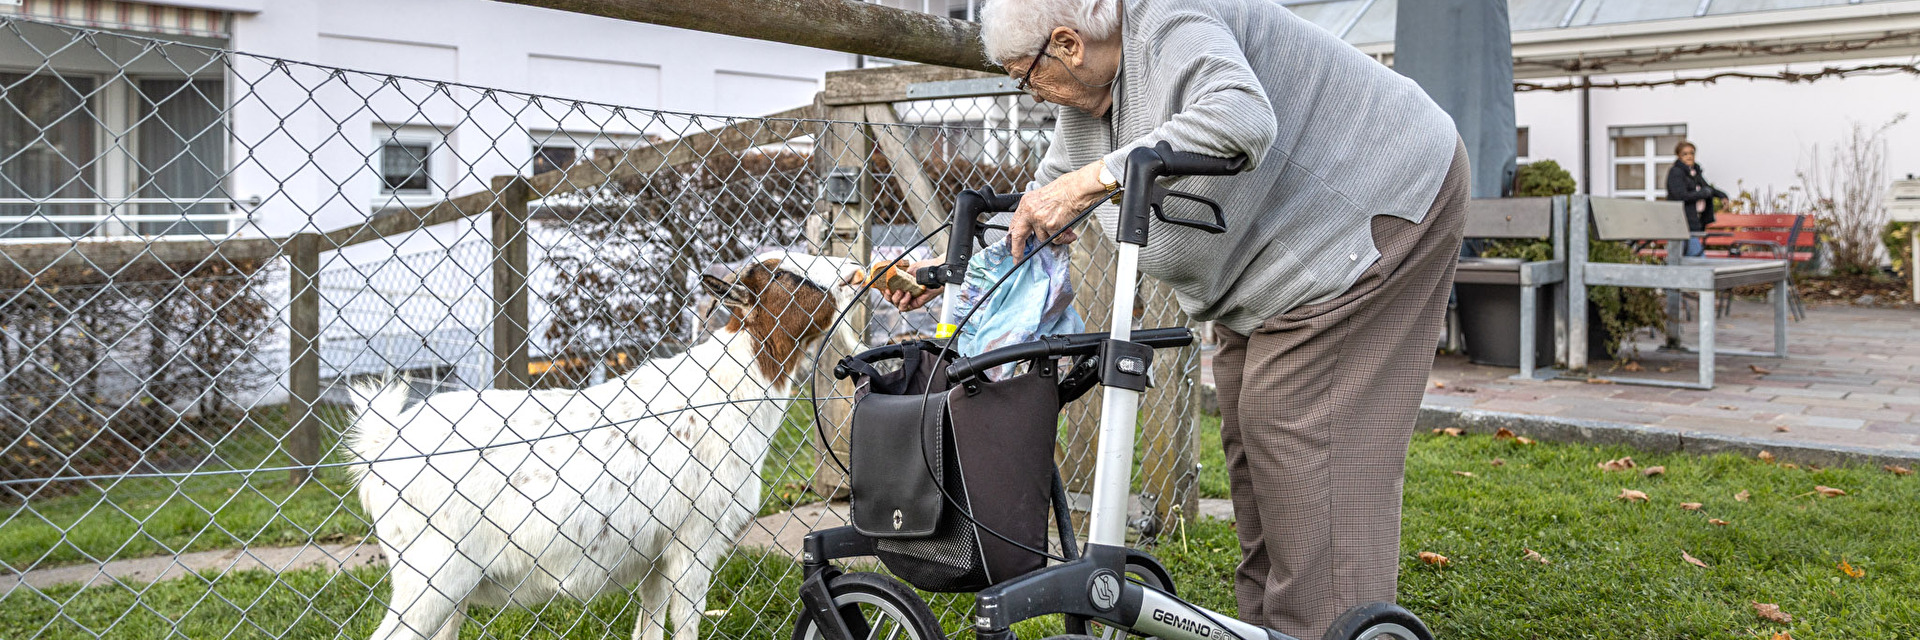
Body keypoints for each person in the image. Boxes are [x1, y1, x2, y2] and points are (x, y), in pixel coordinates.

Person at [879, 0, 1467, 636]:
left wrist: (1092, 182)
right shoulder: (1088, 100)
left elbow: (1240, 117)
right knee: (1254, 443)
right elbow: (1041, 202)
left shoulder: (1169, 17)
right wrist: (947, 268)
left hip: (1376, 203)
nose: (1033, 92)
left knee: (1302, 436)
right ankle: (1271, 628)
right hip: (1274, 265)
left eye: (1028, 76)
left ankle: (1334, 623)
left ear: (1069, 45)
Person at [1666, 141, 1728, 257]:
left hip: (1694, 221)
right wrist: (1701, 194)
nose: (1689, 156)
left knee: (1686, 257)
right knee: (1695, 257)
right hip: (1681, 221)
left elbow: (1707, 188)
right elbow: (1680, 195)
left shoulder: (1695, 172)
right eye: (1685, 154)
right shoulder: (1676, 172)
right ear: (1679, 156)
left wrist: (1722, 196)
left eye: (1691, 153)